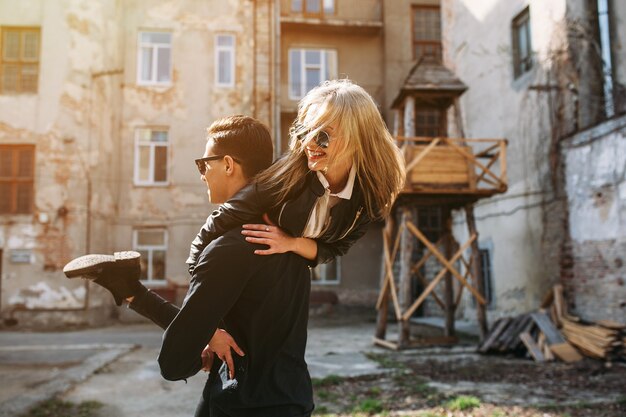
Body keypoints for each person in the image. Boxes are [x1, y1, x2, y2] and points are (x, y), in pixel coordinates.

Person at [65, 115, 314, 416]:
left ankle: (127, 286)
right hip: (286, 398)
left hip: (244, 404)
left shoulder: (228, 250)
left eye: (203, 164)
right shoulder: (289, 240)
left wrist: (196, 349)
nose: (201, 174)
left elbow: (174, 361)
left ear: (228, 164)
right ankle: (128, 287)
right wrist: (146, 301)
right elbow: (226, 328)